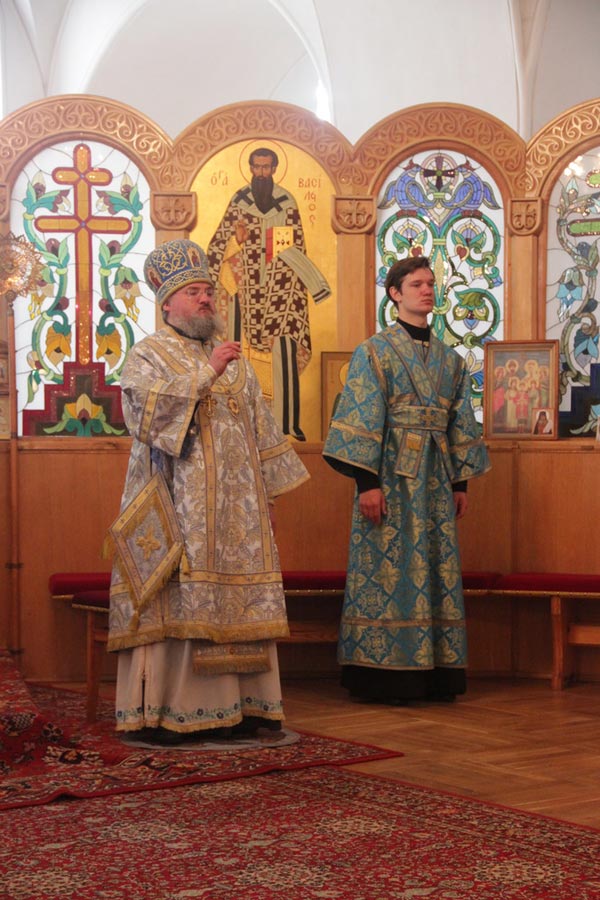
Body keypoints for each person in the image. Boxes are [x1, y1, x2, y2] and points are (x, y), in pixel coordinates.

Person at [107, 238, 309, 744]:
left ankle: (247, 709)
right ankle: (174, 712)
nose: (205, 299)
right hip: (179, 507)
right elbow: (145, 417)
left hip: (238, 516)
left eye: (208, 291)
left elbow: (261, 430)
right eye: (193, 292)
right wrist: (207, 372)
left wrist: (268, 499)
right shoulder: (149, 354)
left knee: (241, 601)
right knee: (182, 600)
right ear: (167, 304)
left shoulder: (236, 362)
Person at [323, 256, 490, 704]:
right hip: (390, 479)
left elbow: (460, 422)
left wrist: (460, 484)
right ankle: (381, 672)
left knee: (435, 568)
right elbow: (361, 417)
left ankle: (436, 673)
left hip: (435, 479)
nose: (427, 290)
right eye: (416, 284)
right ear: (395, 293)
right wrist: (366, 484)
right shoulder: (374, 351)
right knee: (387, 569)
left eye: (431, 283)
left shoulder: (451, 360)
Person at [207, 147, 331, 441]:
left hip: (280, 289)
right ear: (250, 168)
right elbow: (217, 246)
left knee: (283, 350)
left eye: (266, 167)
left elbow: (292, 246)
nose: (261, 173)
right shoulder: (239, 201)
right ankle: (237, 420)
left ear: (274, 169)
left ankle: (285, 423)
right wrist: (236, 243)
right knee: (237, 350)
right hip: (243, 290)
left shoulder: (286, 203)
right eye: (257, 167)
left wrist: (312, 284)